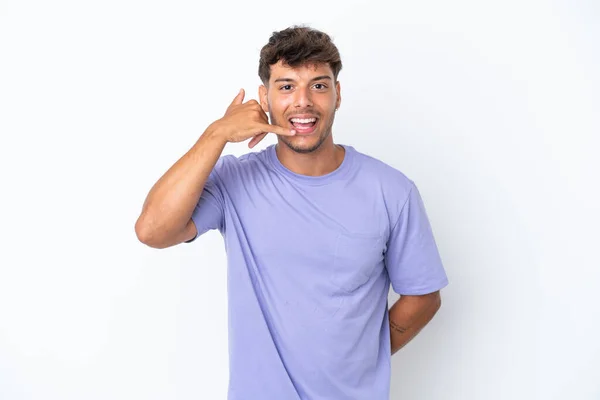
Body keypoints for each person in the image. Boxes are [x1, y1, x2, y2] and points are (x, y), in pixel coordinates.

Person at [135, 25, 449, 400]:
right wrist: (216, 134)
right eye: (286, 87)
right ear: (264, 98)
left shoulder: (391, 190)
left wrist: (367, 353)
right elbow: (152, 230)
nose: (303, 102)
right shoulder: (235, 181)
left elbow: (423, 295)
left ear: (337, 95)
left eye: (318, 85)